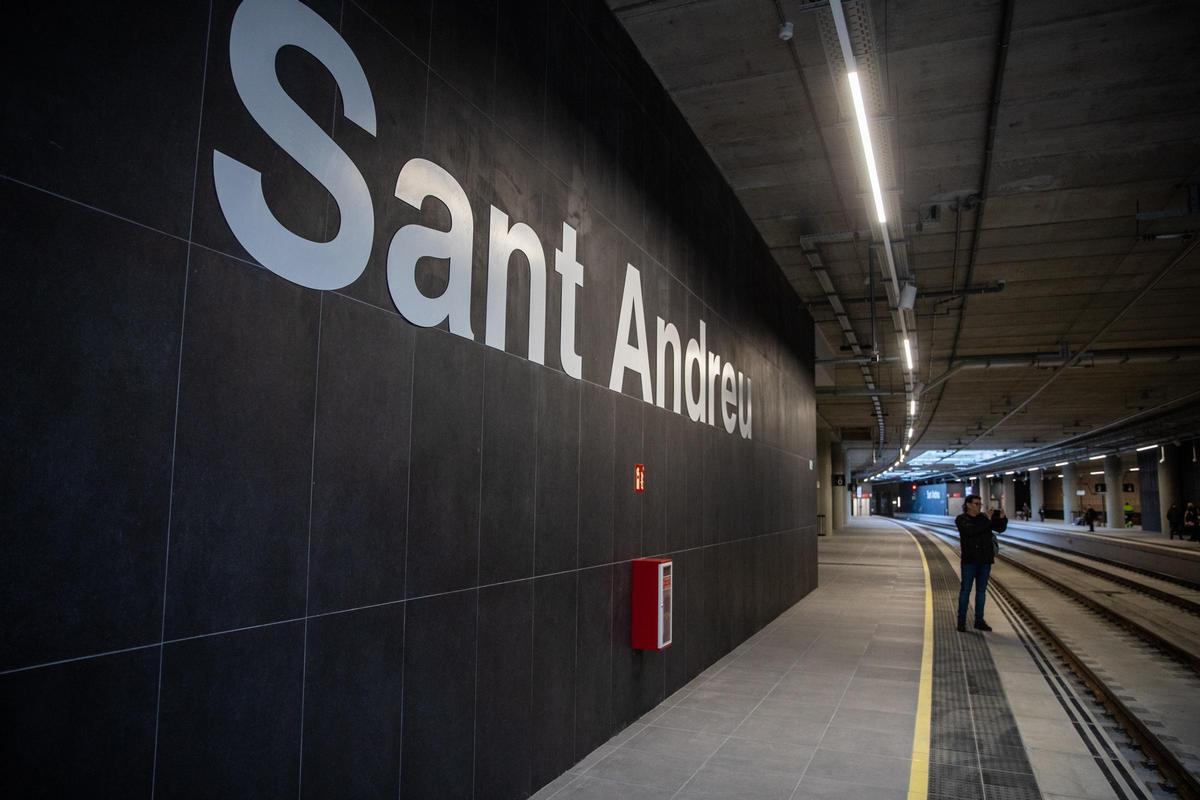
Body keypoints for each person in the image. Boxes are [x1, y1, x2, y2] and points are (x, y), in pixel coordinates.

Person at [956, 494, 1007, 632]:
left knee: (981, 592)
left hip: (985, 561)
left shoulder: (984, 518)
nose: (979, 506)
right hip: (970, 561)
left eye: (980, 504)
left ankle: (979, 620)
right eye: (977, 504)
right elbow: (971, 531)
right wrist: (988, 520)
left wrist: (1003, 519)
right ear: (968, 505)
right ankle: (961, 621)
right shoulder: (961, 519)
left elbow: (1000, 529)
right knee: (965, 591)